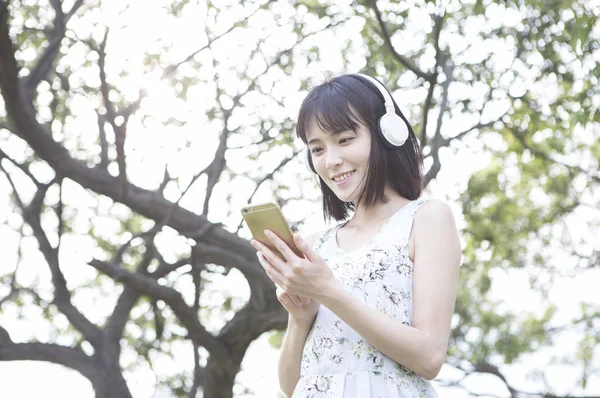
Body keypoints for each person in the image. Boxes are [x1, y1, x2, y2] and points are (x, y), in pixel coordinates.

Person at [250, 73, 461, 397]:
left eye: (345, 140)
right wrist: (301, 316)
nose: (331, 161)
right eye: (317, 149)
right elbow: (293, 386)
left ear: (387, 134)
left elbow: (429, 356)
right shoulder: (317, 244)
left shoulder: (426, 218)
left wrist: (328, 292)